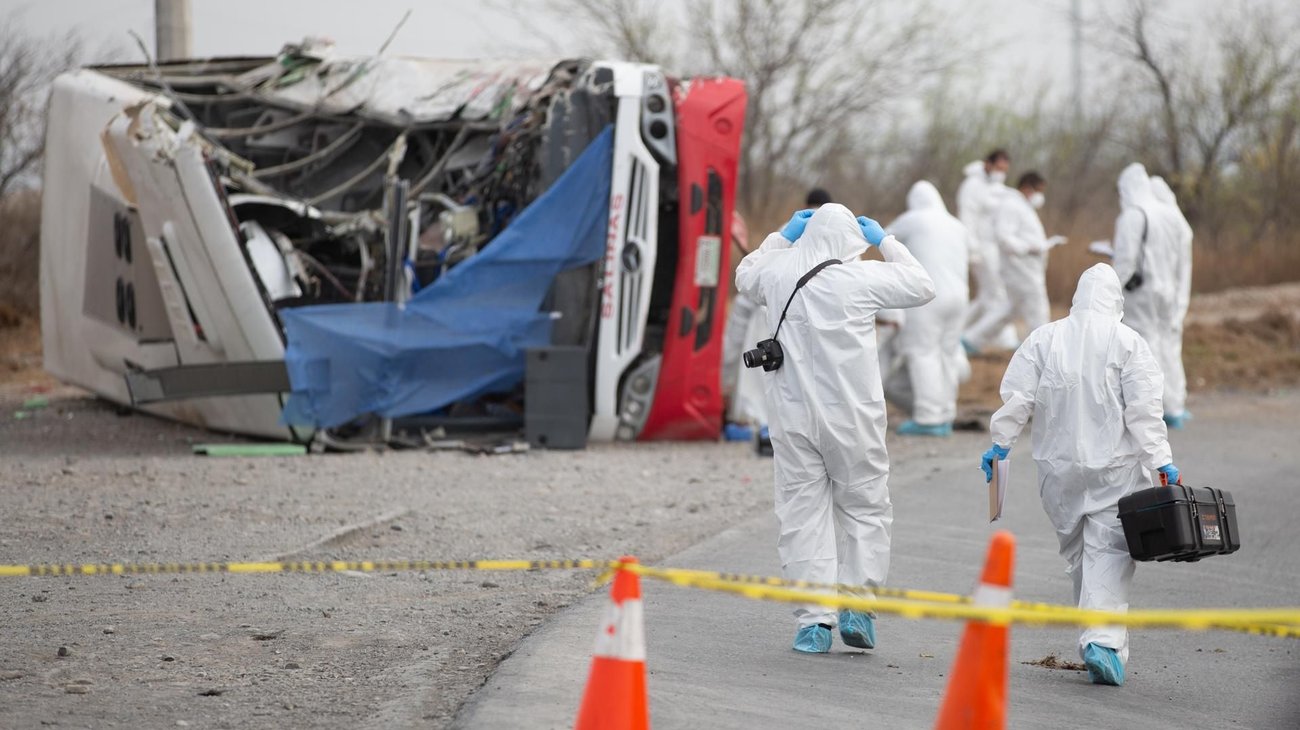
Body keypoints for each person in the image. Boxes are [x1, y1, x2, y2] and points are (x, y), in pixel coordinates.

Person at [736, 203, 935, 653]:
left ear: (807, 236)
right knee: (865, 507)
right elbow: (923, 284)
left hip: (793, 419)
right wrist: (886, 241)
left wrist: (783, 235)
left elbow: (744, 275)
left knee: (802, 513)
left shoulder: (777, 272)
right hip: (853, 419)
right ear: (852, 240)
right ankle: (857, 607)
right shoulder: (859, 277)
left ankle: (814, 622)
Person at [979, 264, 1181, 687]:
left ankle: (1095, 637)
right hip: (1114, 471)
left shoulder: (1044, 338)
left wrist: (1000, 445)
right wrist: (1161, 462)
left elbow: (1017, 398)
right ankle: (1102, 643)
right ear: (1116, 301)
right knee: (1109, 551)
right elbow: (1143, 413)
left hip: (1058, 473)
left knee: (1079, 555)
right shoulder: (1128, 342)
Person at [723, 189, 838, 444]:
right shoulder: (845, 233)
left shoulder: (789, 229)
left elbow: (752, 277)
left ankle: (757, 422)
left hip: (774, 315)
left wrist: (724, 378)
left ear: (806, 204)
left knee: (768, 373)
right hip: (824, 320)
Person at [882, 181, 972, 436]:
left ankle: (929, 417)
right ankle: (946, 413)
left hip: (928, 298)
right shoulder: (957, 225)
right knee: (947, 354)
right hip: (959, 298)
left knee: (922, 352)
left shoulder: (913, 219)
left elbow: (884, 238)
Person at [964, 172, 1064, 349]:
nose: (1040, 196)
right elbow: (1004, 237)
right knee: (1037, 310)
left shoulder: (1022, 206)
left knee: (1009, 310)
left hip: (1025, 269)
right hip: (1020, 269)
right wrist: (1030, 247)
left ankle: (971, 339)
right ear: (1026, 187)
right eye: (1038, 190)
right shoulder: (1011, 205)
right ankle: (1042, 349)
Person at [1145, 173, 1194, 428]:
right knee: (1171, 349)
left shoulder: (1164, 220)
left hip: (1167, 296)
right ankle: (1176, 403)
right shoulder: (1178, 221)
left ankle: (1169, 406)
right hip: (1175, 296)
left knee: (1161, 349)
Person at [958, 149, 1019, 351]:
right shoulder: (972, 185)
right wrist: (972, 249)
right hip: (981, 247)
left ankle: (956, 331)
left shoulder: (997, 188)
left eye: (1005, 169)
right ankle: (1005, 339)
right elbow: (967, 217)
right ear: (988, 164)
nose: (1001, 173)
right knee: (998, 293)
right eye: (999, 168)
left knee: (986, 296)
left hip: (995, 249)